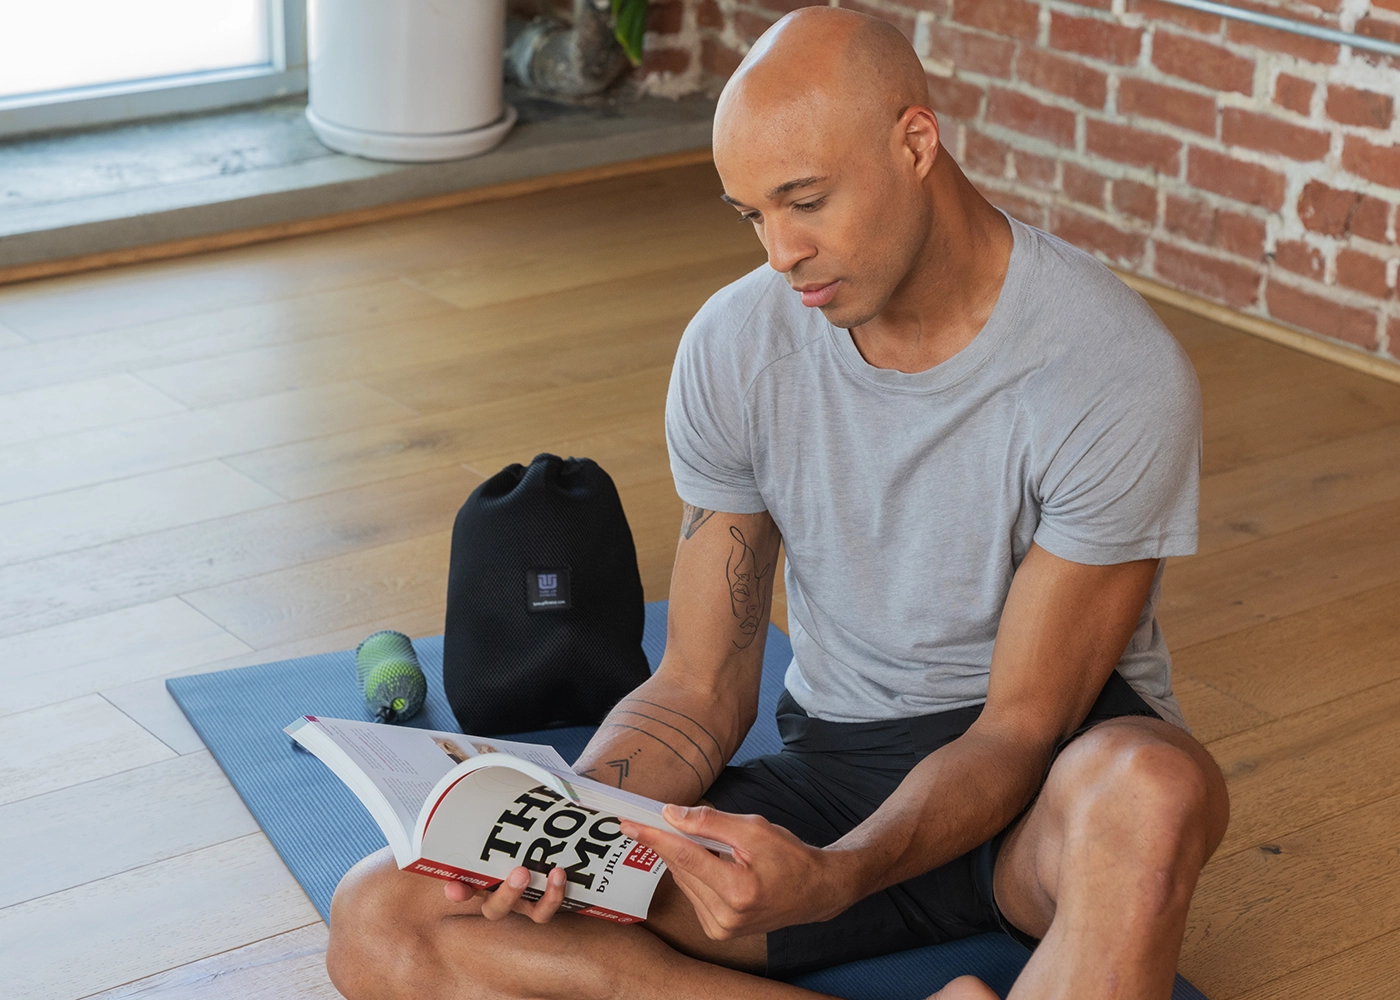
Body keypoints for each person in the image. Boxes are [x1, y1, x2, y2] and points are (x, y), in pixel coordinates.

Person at [324, 8, 1229, 1000]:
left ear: (914, 142)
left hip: (1046, 791)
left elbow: (1011, 734)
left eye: (803, 200)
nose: (780, 252)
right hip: (836, 771)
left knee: (1152, 792)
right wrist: (567, 828)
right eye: (751, 214)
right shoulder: (736, 346)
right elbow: (696, 689)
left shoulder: (1107, 369)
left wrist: (835, 876)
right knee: (388, 917)